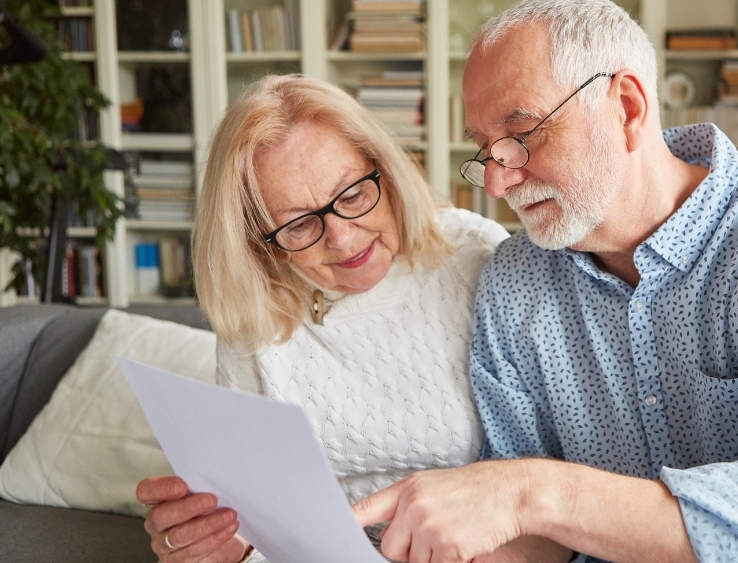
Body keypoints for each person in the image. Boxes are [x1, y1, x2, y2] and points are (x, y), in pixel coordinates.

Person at [354, 0, 738, 563]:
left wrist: (531, 493)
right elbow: (532, 540)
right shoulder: (513, 282)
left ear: (627, 107)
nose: (498, 185)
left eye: (522, 136)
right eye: (486, 150)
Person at [134, 74, 509, 562]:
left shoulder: (476, 258)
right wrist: (230, 550)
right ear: (256, 239)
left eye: (351, 195)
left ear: (386, 171)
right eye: (299, 223)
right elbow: (260, 522)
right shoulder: (257, 316)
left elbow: (539, 471)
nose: (343, 238)